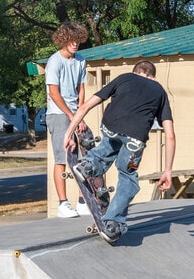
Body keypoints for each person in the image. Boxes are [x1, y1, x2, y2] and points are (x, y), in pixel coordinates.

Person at [63, 60, 176, 243]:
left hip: (111, 126)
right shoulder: (159, 91)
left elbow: (85, 106)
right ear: (153, 77)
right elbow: (170, 135)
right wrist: (168, 171)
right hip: (135, 139)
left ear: (134, 72)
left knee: (110, 143)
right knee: (128, 176)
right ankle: (113, 223)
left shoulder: (124, 78)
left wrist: (68, 134)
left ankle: (89, 165)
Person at [45, 21, 90, 218]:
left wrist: (80, 114)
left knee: (84, 157)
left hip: (75, 113)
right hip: (58, 113)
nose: (75, 44)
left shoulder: (80, 60)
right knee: (62, 159)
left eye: (78, 40)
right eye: (71, 40)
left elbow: (81, 89)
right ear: (63, 40)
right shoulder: (54, 61)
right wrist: (72, 116)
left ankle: (82, 201)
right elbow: (54, 93)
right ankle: (63, 204)